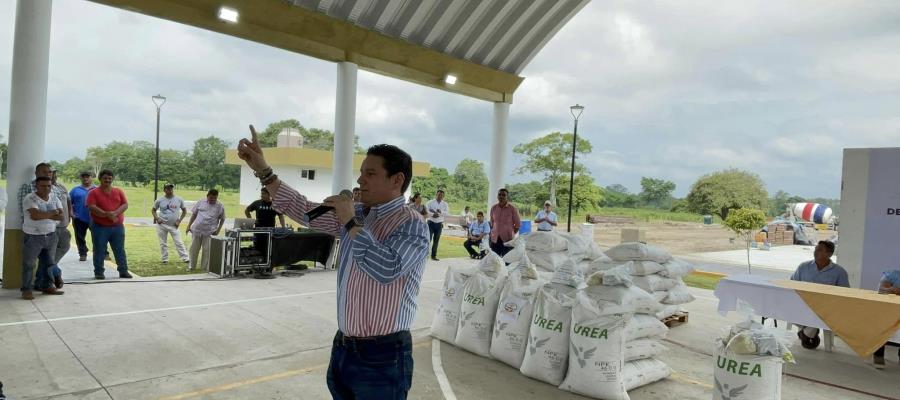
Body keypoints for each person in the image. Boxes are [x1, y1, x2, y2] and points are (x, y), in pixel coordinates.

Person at [238, 125, 428, 400]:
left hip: (383, 352)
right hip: (344, 344)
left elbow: (388, 269)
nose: (361, 180)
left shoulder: (411, 224)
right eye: (361, 172)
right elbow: (302, 209)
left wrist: (351, 222)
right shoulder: (358, 212)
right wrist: (264, 171)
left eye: (371, 174)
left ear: (397, 180)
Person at [790, 240, 848, 349]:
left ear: (829, 254)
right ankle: (809, 331)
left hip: (826, 307)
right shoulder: (803, 267)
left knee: (822, 312)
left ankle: (806, 334)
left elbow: (845, 293)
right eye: (816, 249)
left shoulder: (839, 272)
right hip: (803, 303)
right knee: (786, 308)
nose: (816, 252)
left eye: (820, 250)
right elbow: (792, 283)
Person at [20, 176, 64, 299]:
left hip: (51, 235)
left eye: (49, 186)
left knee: (48, 263)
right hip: (33, 236)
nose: (46, 188)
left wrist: (44, 214)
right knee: (29, 264)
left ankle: (46, 286)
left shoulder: (54, 198)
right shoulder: (30, 198)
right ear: (36, 186)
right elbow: (35, 215)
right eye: (43, 186)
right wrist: (53, 213)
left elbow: (61, 216)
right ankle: (26, 289)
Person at [86, 170, 132, 279]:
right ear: (100, 179)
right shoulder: (93, 192)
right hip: (99, 227)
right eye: (105, 178)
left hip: (117, 227)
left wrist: (115, 213)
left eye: (110, 178)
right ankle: (99, 272)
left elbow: (125, 204)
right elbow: (91, 206)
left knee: (119, 249)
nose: (107, 180)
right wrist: (106, 214)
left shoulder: (118, 191)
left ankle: (123, 271)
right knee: (99, 250)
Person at [186, 189, 225, 271]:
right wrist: (188, 226)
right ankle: (191, 267)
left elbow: (222, 219)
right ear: (207, 196)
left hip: (209, 232)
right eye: (211, 198)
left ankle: (204, 268)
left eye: (215, 198)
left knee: (207, 251)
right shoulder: (200, 202)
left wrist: (218, 230)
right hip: (197, 230)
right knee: (193, 249)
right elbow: (194, 214)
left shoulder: (220, 205)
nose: (213, 200)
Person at [152, 183, 190, 263]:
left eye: (171, 188)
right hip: (162, 225)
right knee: (163, 243)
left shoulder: (179, 199)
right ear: (164, 190)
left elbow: (184, 211)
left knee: (179, 242)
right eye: (168, 188)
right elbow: (153, 210)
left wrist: (179, 221)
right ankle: (164, 259)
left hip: (174, 225)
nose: (170, 190)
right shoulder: (159, 200)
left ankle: (185, 258)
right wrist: (157, 218)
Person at [245, 187, 285, 253]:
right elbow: (247, 211)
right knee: (257, 248)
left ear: (269, 194)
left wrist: (283, 227)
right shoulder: (257, 203)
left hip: (270, 231)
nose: (261, 195)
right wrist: (252, 221)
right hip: (258, 230)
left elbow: (280, 215)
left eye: (263, 194)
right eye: (261, 193)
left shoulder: (275, 204)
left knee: (268, 249)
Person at [873, 269, 900, 368]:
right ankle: (878, 355)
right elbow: (881, 289)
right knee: (881, 326)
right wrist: (892, 289)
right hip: (887, 310)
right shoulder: (892, 274)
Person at [69, 171, 96, 262]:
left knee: (97, 236)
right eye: (83, 177)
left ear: (91, 177)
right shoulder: (75, 190)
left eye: (87, 177)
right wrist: (72, 214)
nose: (85, 179)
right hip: (79, 217)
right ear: (81, 178)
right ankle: (82, 253)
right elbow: (69, 203)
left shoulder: (96, 189)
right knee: (80, 237)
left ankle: (100, 253)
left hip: (94, 218)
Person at [489, 188, 521, 258]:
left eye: (504, 195)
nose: (501, 196)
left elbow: (518, 225)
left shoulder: (513, 209)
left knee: (506, 261)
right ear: (497, 196)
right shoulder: (493, 208)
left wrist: (511, 233)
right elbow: (492, 223)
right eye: (499, 194)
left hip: (508, 240)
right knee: (495, 261)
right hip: (495, 239)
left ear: (507, 197)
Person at [50, 168, 73, 265]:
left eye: (55, 174)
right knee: (51, 251)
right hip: (52, 226)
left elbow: (68, 201)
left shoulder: (62, 187)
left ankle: (52, 265)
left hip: (63, 224)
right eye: (52, 174)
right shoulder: (44, 187)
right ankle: (51, 271)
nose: (54, 176)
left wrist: (70, 215)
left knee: (65, 246)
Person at [425, 190, 449, 261]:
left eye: (441, 195)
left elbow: (447, 213)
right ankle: (424, 255)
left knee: (436, 241)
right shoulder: (430, 202)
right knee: (428, 240)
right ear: (436, 194)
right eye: (439, 194)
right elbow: (426, 210)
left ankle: (433, 256)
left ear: (443, 196)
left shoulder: (445, 204)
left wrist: (440, 212)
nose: (440, 196)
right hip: (431, 223)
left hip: (439, 224)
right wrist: (433, 214)